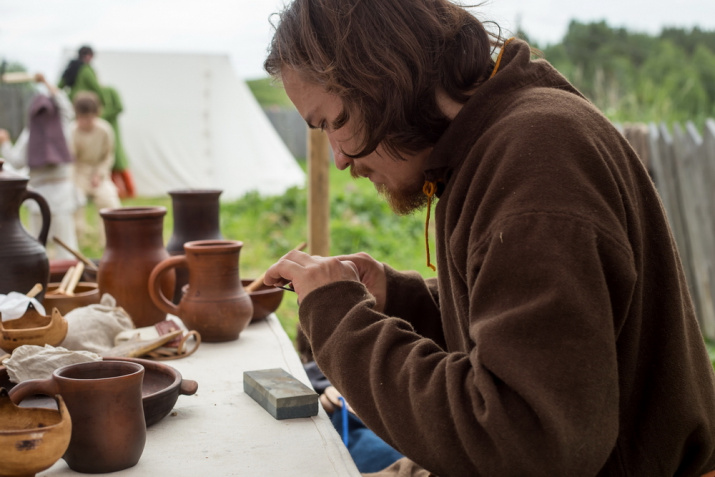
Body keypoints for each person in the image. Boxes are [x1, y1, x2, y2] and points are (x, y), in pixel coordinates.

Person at [261, 0, 715, 475]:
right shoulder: (496, 143)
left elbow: (528, 443)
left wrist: (340, 322)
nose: (339, 158)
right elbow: (536, 332)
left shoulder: (537, 165)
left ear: (383, 78)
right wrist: (402, 300)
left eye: (335, 122)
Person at [0, 73, 80, 260]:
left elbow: (15, 160)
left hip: (55, 195)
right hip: (39, 196)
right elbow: (17, 161)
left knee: (58, 247)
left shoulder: (57, 128)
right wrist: (5, 143)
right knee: (40, 247)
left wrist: (46, 82)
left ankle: (69, 282)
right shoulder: (36, 132)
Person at [70, 91, 121, 246]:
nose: (86, 122)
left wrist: (99, 174)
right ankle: (74, 243)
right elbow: (70, 162)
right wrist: (72, 183)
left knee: (110, 201)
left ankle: (110, 243)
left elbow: (108, 156)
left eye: (89, 118)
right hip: (78, 173)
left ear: (96, 114)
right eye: (82, 118)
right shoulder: (71, 131)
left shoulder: (104, 130)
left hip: (99, 173)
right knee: (74, 204)